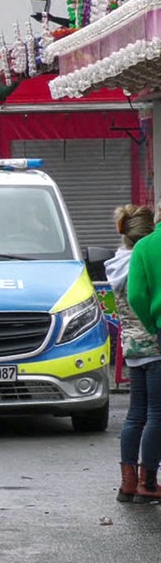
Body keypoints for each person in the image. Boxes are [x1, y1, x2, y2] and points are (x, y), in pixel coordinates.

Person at [110, 204, 161, 503]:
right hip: (154, 346)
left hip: (131, 348)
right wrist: (154, 329)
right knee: (157, 415)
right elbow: (142, 298)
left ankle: (127, 484)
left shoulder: (116, 264)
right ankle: (149, 484)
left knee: (135, 415)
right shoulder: (144, 257)